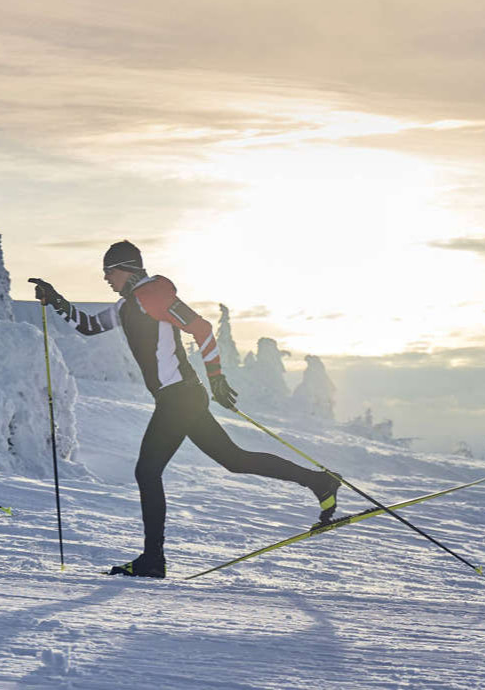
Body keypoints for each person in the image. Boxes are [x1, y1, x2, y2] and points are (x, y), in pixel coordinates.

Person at [30, 241, 338, 578]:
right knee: (234, 460)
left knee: (147, 472)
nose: (106, 279)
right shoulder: (125, 306)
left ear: (127, 269)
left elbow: (202, 329)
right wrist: (54, 298)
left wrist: (216, 377)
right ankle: (319, 482)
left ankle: (152, 560)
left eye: (109, 272)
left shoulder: (154, 295)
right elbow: (87, 326)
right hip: (178, 398)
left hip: (180, 397)